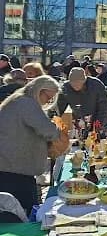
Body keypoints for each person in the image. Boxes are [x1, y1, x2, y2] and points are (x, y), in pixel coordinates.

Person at [0, 76, 61, 214]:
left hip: (11, 167)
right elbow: (47, 129)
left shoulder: (19, 100)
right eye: (48, 97)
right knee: (24, 214)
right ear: (39, 90)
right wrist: (59, 131)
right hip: (14, 170)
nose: (48, 101)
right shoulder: (26, 103)